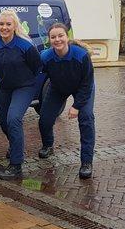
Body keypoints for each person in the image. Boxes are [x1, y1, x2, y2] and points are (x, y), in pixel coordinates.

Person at [37, 23, 96, 179]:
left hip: (82, 88)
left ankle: (86, 162)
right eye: (53, 37)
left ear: (67, 36)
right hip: (58, 88)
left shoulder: (81, 55)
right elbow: (35, 71)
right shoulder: (46, 56)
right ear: (49, 39)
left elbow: (87, 83)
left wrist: (76, 106)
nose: (57, 39)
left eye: (60, 36)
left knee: (86, 119)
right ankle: (48, 145)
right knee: (45, 119)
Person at [0, 9, 42, 180]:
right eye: (1, 24)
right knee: (3, 122)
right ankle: (14, 145)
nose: (4, 27)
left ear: (15, 26)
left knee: (13, 119)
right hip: (4, 88)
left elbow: (36, 67)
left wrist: (26, 82)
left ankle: (16, 165)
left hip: (24, 87)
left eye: (8, 24)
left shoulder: (25, 46)